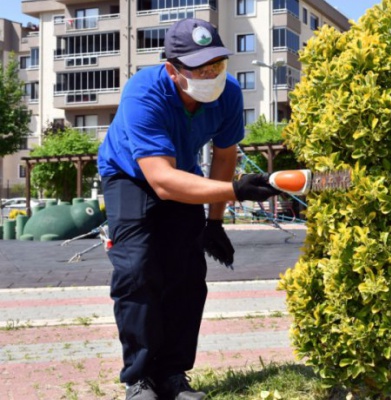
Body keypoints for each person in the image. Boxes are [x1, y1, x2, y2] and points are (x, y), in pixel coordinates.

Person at [97, 18, 280, 400]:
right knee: (137, 269)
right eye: (199, 67)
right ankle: (140, 377)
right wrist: (235, 192)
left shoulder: (228, 93)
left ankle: (172, 374)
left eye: (216, 64)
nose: (211, 73)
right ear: (172, 69)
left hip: (182, 172)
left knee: (188, 273)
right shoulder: (143, 92)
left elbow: (224, 156)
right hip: (129, 176)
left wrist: (214, 222)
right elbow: (161, 181)